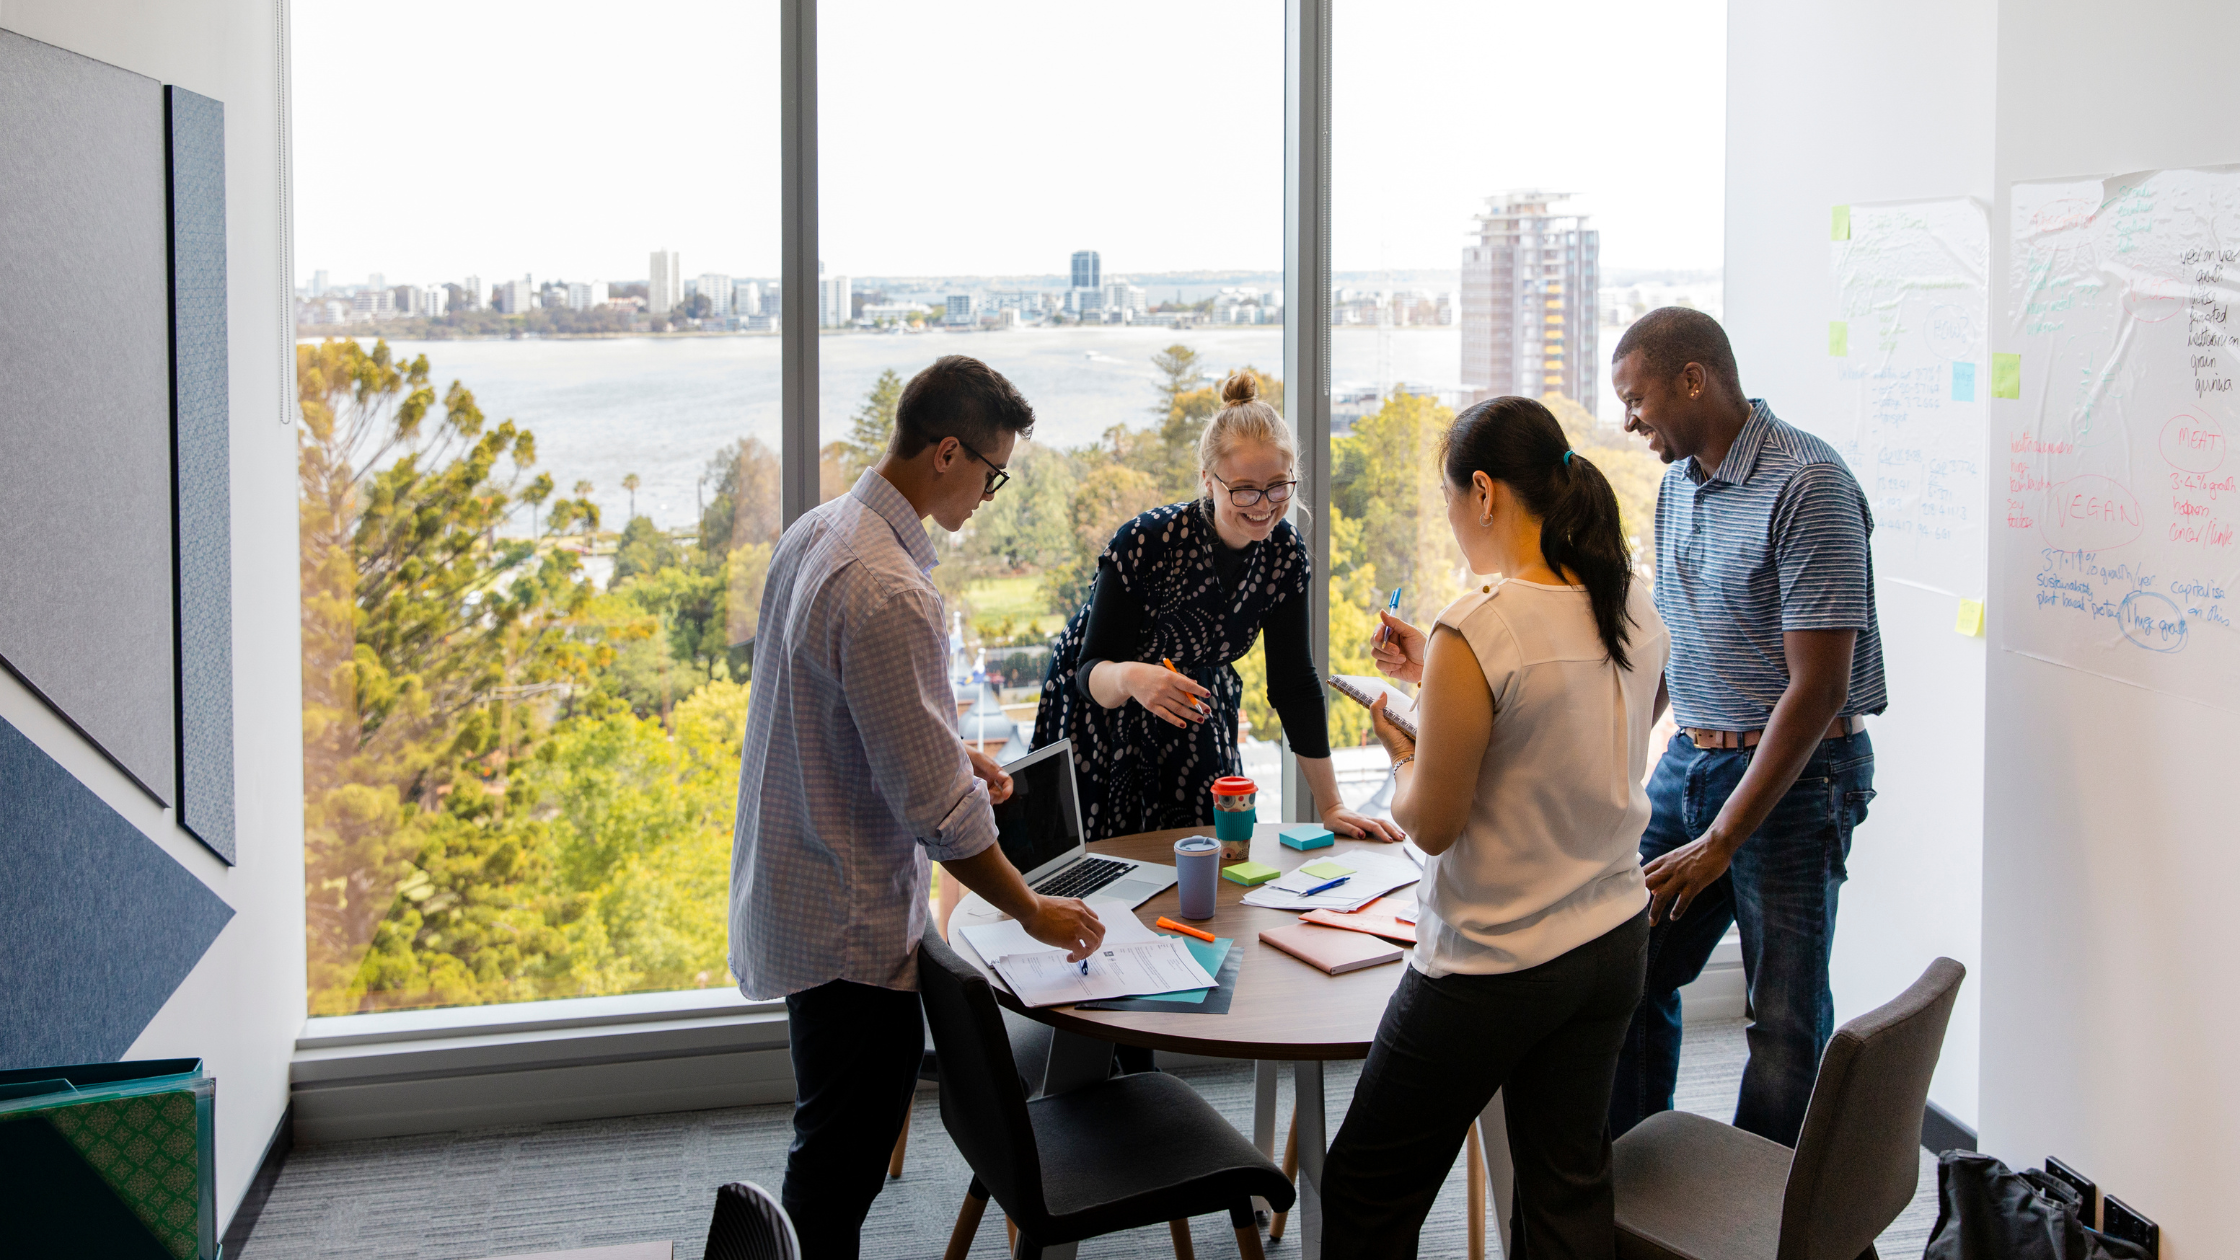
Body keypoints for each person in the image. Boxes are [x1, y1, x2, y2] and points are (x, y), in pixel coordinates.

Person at [728, 355, 1107, 1260]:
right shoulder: (890, 588)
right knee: (838, 1171)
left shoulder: (821, 532)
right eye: (991, 472)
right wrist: (1032, 909)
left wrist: (949, 747)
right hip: (851, 920)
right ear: (947, 453)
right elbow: (942, 817)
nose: (988, 494)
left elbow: (833, 708)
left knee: (829, 1147)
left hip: (797, 887)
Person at [1321, 396, 1668, 1259]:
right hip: (1611, 941)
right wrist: (1439, 682)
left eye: (1449, 498)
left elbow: (1431, 823)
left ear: (1482, 491)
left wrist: (1405, 754)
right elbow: (1592, 729)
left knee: (1366, 1189)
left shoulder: (1479, 625)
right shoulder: (1632, 601)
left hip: (1493, 964)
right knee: (1565, 1190)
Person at [1605, 307, 1884, 1148]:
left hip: (1799, 780)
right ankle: (1635, 1190)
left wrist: (1724, 837)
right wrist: (1611, 756)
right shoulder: (1677, 480)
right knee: (1625, 967)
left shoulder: (1809, 484)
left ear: (1693, 379)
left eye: (1636, 399)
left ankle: (1763, 1216)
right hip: (1692, 761)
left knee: (1784, 1020)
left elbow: (1820, 688)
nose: (1629, 421)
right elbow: (1678, 640)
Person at [1031, 370, 1400, 845]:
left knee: (1209, 853)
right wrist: (1131, 677)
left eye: (1279, 486)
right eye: (1244, 489)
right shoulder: (1146, 541)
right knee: (1107, 867)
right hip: (1102, 708)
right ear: (1208, 480)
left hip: (1195, 704)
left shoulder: (1285, 554)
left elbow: (1293, 683)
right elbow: (1090, 669)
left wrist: (1331, 805)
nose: (1263, 505)